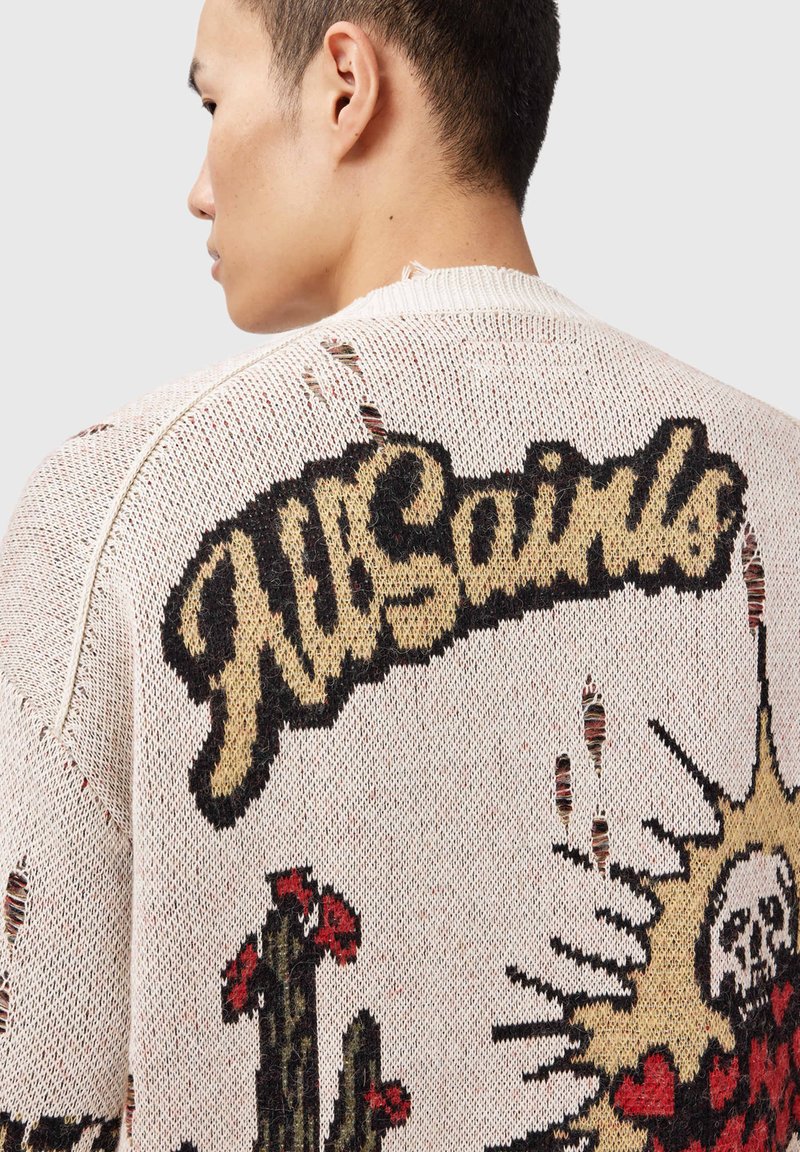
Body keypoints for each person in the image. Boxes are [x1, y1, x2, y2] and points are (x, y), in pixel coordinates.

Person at [1, 0, 799, 1149]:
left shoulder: (121, 500)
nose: (198, 189)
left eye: (213, 101)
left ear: (343, 83)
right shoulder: (779, 477)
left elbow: (34, 1085)